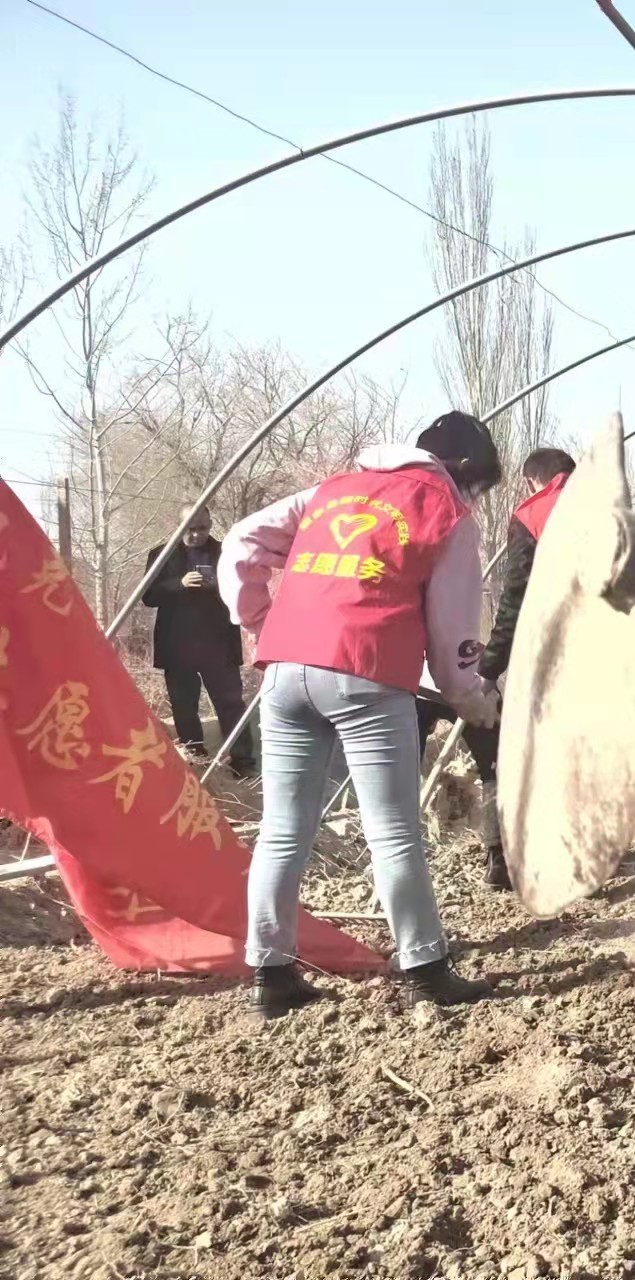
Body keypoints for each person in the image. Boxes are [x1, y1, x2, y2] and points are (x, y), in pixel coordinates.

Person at [220, 410, 505, 1018]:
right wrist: (474, 700)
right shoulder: (444, 511)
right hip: (367, 673)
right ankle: (426, 966)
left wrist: (258, 624)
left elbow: (242, 540)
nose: (473, 497)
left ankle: (271, 974)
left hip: (286, 671)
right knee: (393, 829)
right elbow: (454, 631)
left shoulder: (332, 491)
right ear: (460, 469)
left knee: (283, 826)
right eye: (477, 483)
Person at [459, 446, 577, 889]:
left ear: (534, 481)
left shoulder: (533, 514)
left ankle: (509, 860)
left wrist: (490, 667)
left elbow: (517, 596)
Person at [142, 505, 255, 777]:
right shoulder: (161, 555)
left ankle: (243, 762)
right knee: (184, 706)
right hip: (177, 645)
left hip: (218, 644)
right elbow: (148, 596)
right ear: (178, 526)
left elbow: (245, 589)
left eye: (202, 528)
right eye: (189, 529)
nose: (195, 535)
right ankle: (195, 759)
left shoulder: (225, 553)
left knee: (231, 704)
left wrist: (216, 584)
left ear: (210, 524)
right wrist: (178, 584)